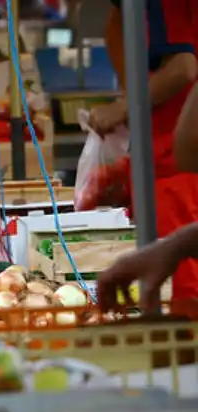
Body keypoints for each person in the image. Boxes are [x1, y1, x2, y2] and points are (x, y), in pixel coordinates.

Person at [88, 0, 198, 304]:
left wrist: (123, 108)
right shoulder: (124, 12)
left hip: (175, 174)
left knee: (184, 298)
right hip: (163, 166)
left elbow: (185, 67)